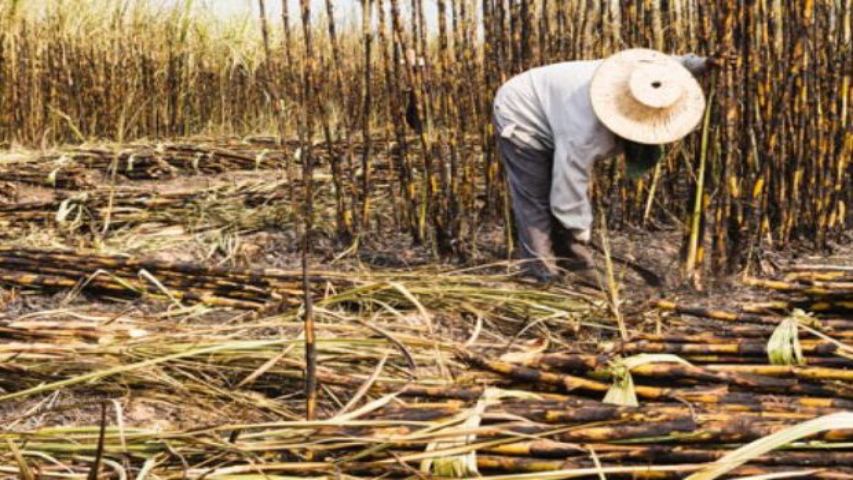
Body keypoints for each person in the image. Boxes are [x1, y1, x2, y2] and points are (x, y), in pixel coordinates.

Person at [492, 48, 715, 285]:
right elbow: (568, 187)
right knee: (536, 196)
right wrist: (580, 231)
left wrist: (701, 64)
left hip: (557, 106)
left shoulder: (639, 75)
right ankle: (540, 270)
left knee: (560, 205)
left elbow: (667, 68)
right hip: (521, 110)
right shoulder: (587, 131)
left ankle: (575, 264)